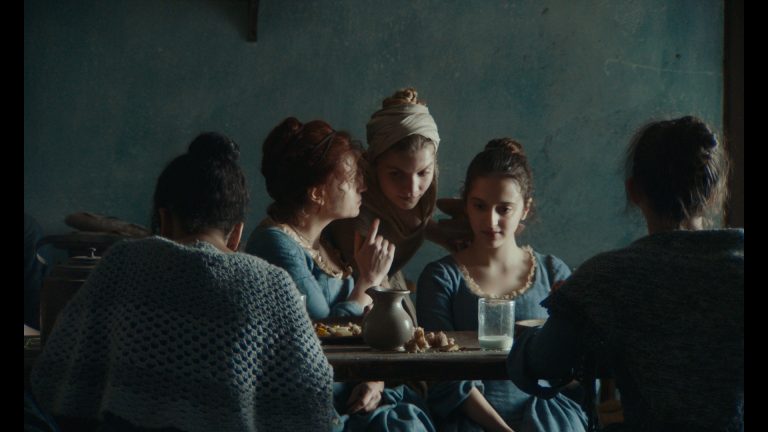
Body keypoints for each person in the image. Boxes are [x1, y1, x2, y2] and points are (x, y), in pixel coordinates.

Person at [30, 132, 338, 432]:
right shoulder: (272, 284)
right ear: (237, 233)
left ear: (163, 219)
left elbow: (54, 374)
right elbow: (314, 404)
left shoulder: (123, 262)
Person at [507, 116, 744, 431]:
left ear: (633, 190)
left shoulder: (607, 278)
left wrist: (558, 319)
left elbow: (542, 362)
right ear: (713, 191)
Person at [245, 118, 435, 432]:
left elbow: (367, 332)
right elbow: (323, 336)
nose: (363, 186)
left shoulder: (328, 242)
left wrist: (374, 379)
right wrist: (366, 282)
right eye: (350, 178)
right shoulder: (275, 245)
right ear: (317, 193)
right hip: (313, 407)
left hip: (353, 394)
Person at [417, 139, 588, 432]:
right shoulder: (442, 278)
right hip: (470, 419)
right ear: (466, 204)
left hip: (546, 417)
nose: (490, 220)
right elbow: (444, 375)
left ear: (525, 209)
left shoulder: (552, 272)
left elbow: (575, 368)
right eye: (480, 206)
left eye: (504, 209)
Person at [326, 87, 442, 294]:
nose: (412, 189)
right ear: (374, 165)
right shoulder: (355, 216)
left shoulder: (426, 191)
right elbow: (369, 287)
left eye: (423, 172)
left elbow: (411, 224)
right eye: (396, 174)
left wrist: (448, 235)